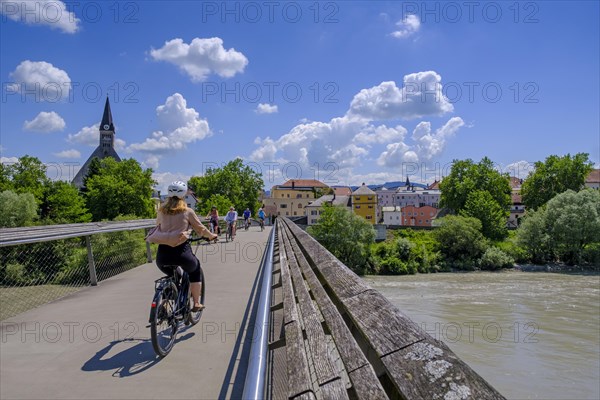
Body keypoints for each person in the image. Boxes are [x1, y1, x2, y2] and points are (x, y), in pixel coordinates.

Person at [149, 181, 217, 312]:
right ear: (184, 195)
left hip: (162, 257)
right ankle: (196, 303)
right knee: (195, 270)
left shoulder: (161, 211)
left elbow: (158, 225)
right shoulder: (188, 211)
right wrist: (211, 235)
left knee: (173, 276)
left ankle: (166, 301)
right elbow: (201, 229)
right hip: (182, 255)